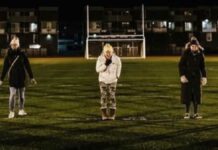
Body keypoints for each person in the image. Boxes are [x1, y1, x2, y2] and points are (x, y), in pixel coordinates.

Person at [0, 36, 37, 119]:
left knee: (21, 96)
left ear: (18, 45)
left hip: (22, 78)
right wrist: (1, 79)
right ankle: (11, 111)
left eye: (15, 44)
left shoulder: (22, 54)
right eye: (13, 44)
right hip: (12, 78)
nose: (14, 46)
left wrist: (32, 77)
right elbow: (5, 68)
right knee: (12, 95)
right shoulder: (8, 55)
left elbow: (28, 66)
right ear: (10, 45)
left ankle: (21, 110)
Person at [179, 40, 207, 119]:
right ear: (190, 46)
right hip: (187, 78)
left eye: (195, 46)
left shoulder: (200, 55)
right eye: (192, 46)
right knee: (187, 95)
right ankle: (187, 113)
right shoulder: (186, 54)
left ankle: (195, 113)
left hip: (197, 78)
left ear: (197, 46)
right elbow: (181, 65)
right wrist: (182, 75)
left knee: (196, 95)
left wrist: (204, 77)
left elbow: (202, 67)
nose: (193, 47)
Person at [96, 43, 122, 120]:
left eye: (109, 52)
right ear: (104, 52)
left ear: (112, 52)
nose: (108, 54)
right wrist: (105, 65)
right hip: (103, 80)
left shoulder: (116, 59)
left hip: (113, 80)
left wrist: (117, 75)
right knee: (103, 97)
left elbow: (119, 66)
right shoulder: (100, 59)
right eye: (106, 52)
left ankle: (112, 114)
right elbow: (97, 70)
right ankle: (104, 114)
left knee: (112, 97)